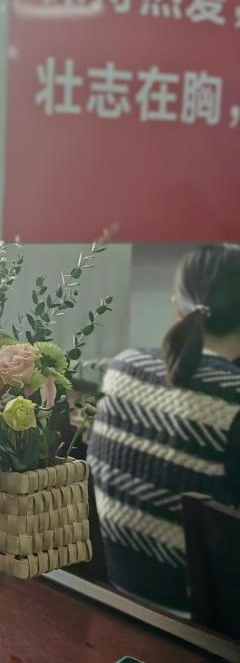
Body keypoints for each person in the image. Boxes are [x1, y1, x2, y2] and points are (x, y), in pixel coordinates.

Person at [90, 244, 240, 612]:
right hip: (200, 624)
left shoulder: (124, 367)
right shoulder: (233, 402)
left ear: (177, 306)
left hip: (116, 596)